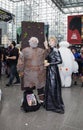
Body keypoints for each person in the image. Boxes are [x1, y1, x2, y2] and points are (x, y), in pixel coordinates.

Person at [17, 37, 47, 103]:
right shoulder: (24, 51)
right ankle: (31, 103)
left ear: (37, 43)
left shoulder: (42, 51)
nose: (33, 42)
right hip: (28, 73)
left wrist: (47, 47)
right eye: (32, 41)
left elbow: (47, 58)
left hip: (39, 73)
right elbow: (20, 62)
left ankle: (42, 102)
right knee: (29, 89)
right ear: (29, 42)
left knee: (40, 89)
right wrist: (20, 71)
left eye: (35, 41)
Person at [44, 36, 65, 114]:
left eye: (51, 41)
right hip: (50, 71)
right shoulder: (51, 50)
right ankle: (50, 105)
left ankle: (54, 105)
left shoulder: (56, 50)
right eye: (49, 41)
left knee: (53, 88)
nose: (50, 42)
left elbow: (60, 61)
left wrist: (49, 63)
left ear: (55, 42)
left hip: (53, 72)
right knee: (50, 88)